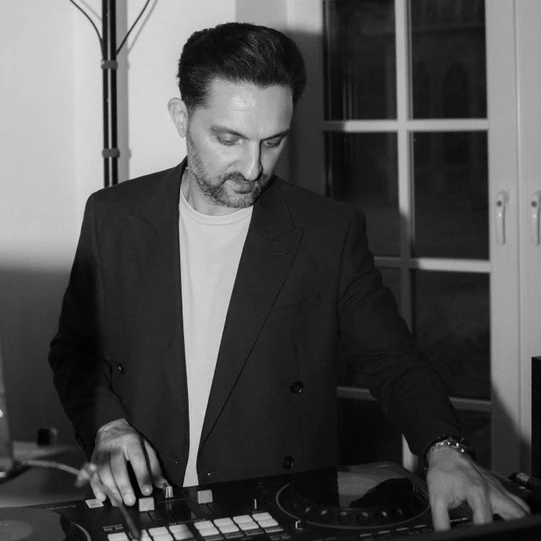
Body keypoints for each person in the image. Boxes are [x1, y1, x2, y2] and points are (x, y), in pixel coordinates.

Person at [49, 22, 528, 530]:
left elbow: (393, 362)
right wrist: (107, 425)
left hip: (279, 509)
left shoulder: (327, 232)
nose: (253, 168)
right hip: (145, 506)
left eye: (272, 141)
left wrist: (445, 449)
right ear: (181, 117)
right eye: (229, 139)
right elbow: (75, 351)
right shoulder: (113, 216)